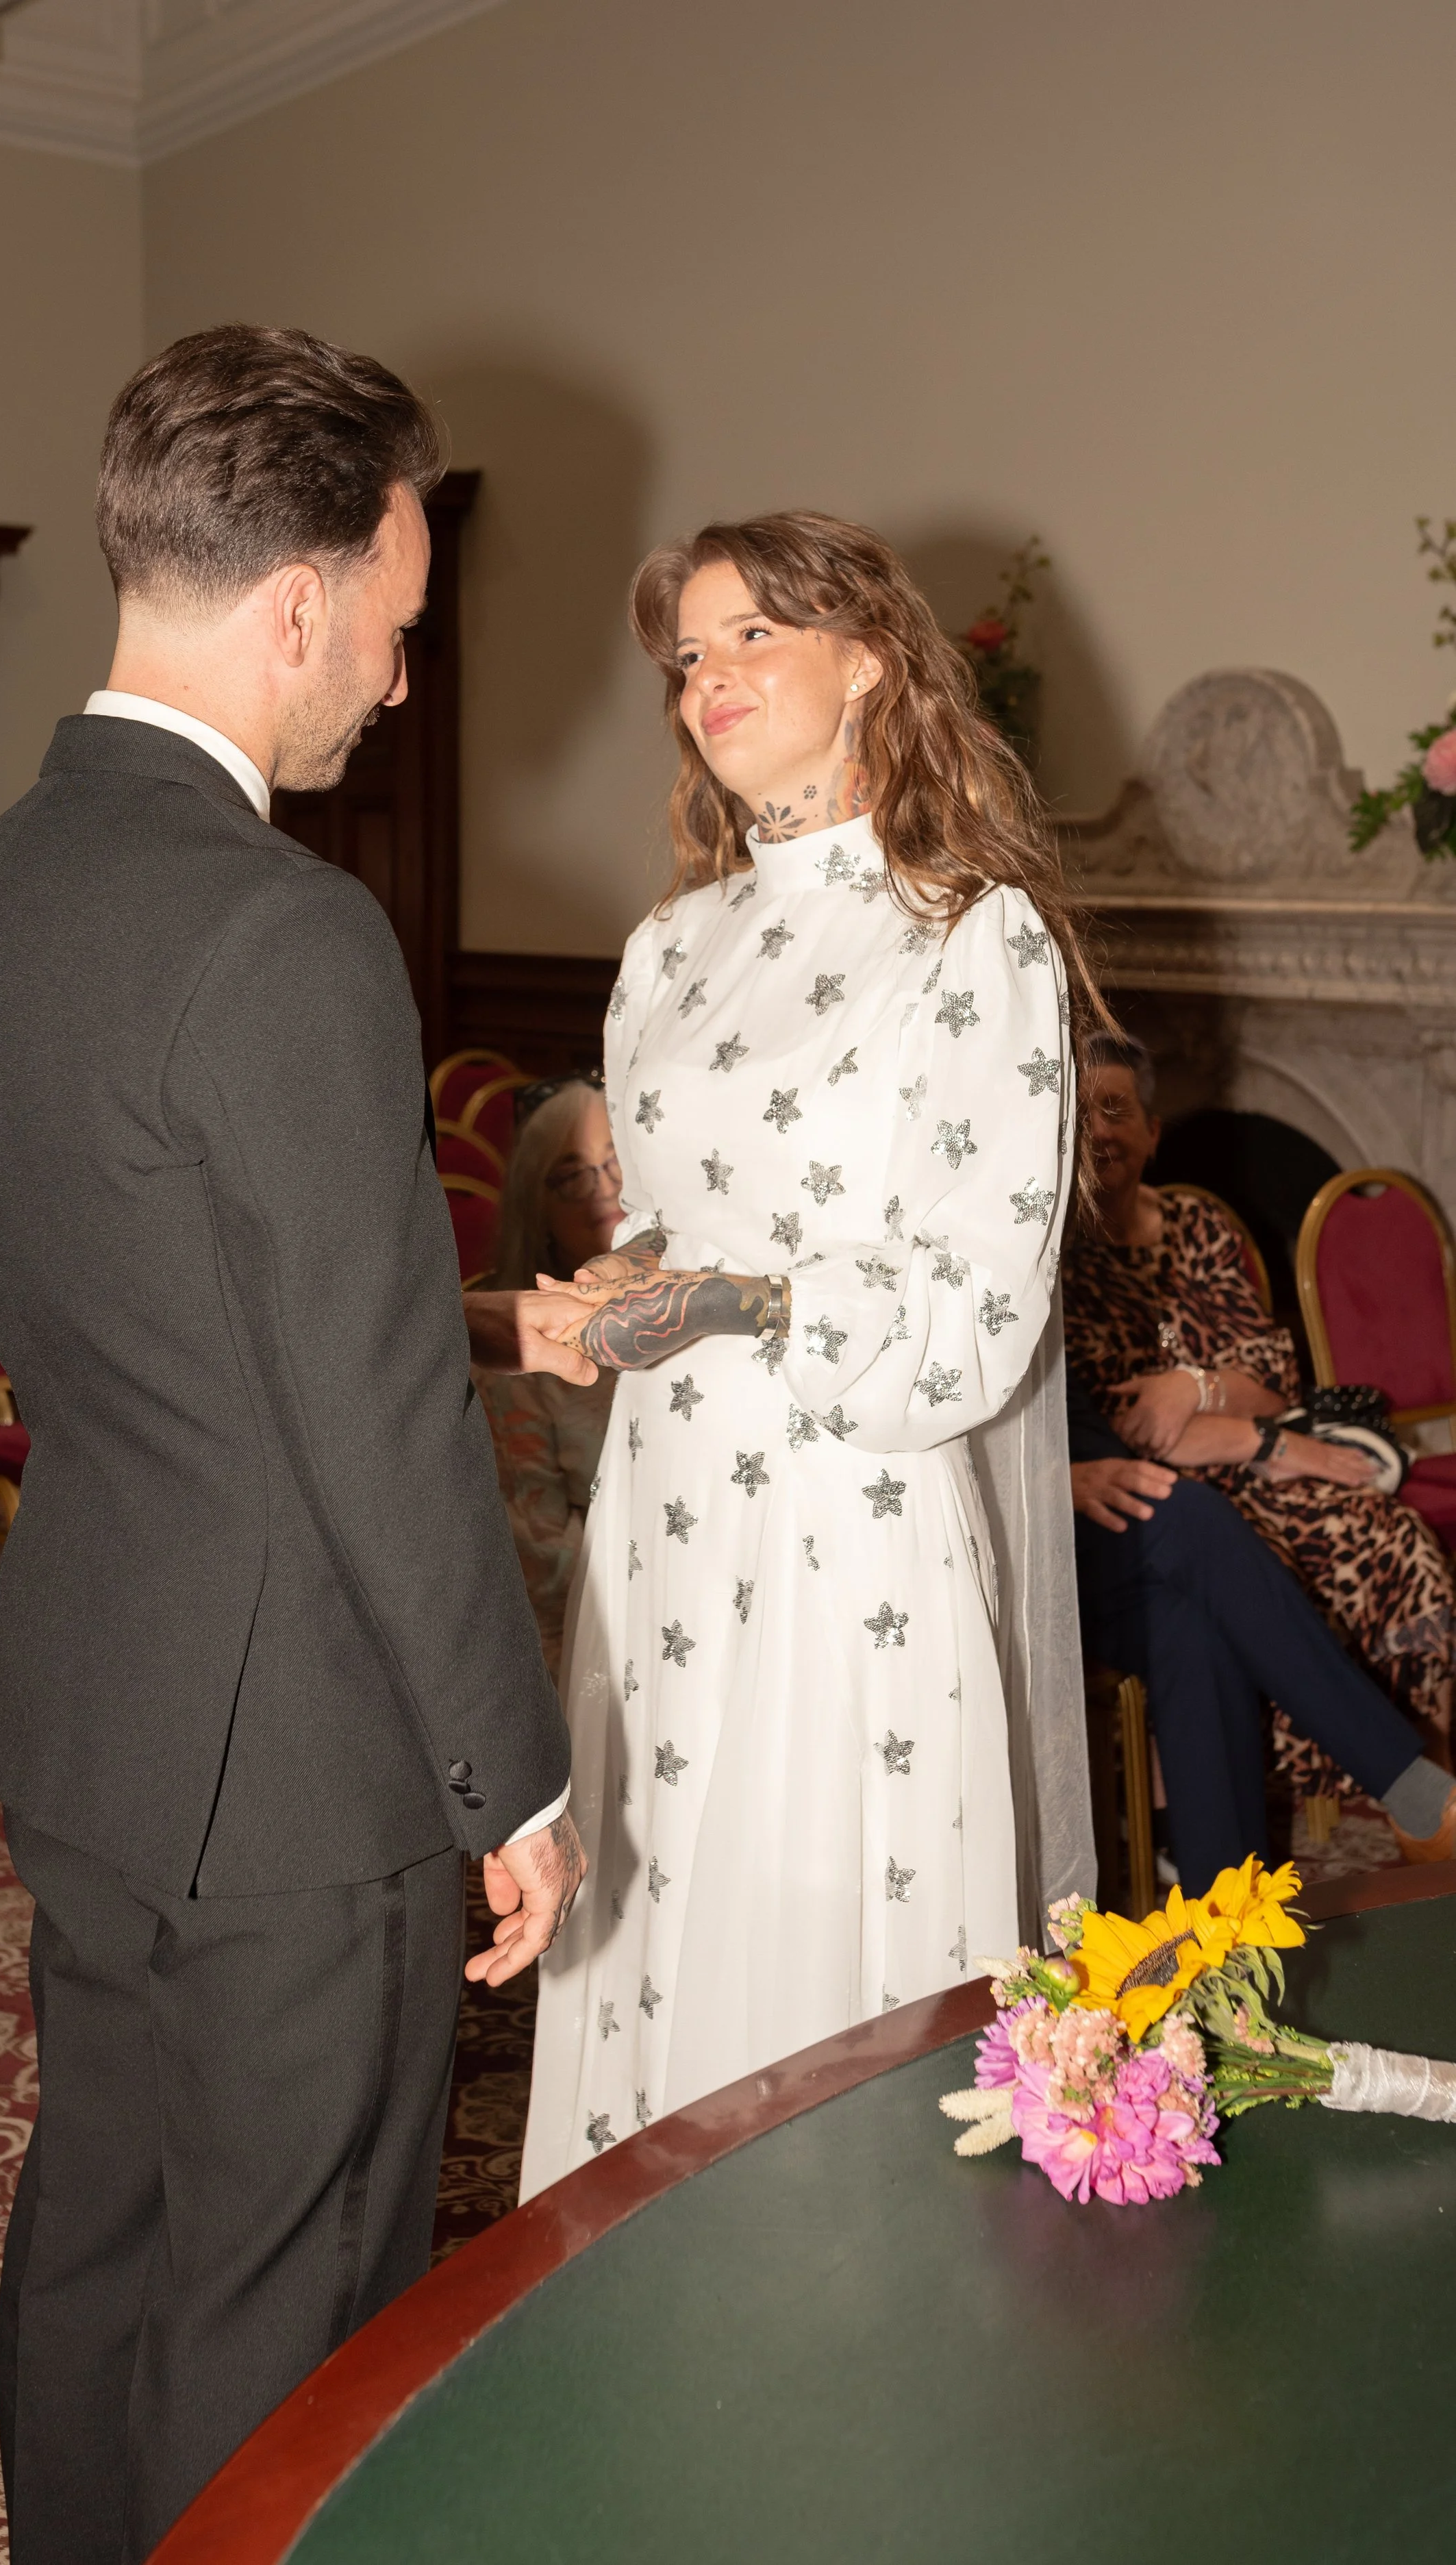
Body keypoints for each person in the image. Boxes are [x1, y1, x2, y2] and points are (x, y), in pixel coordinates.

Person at [0, 327, 590, 2565]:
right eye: (390, 631)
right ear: (296, 603)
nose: (388, 686)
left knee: (98, 2230)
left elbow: (178, 1299)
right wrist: (521, 1780)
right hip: (301, 1769)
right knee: (282, 2313)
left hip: (91, 1708)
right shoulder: (285, 930)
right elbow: (372, 1413)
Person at [518, 510, 1103, 2196]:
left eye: (752, 636)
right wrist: (611, 1288)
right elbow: (681, 1229)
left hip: (852, 1514)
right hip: (667, 1508)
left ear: (867, 659)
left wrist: (726, 1305)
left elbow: (977, 1304)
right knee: (659, 1887)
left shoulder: (967, 939)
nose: (710, 678)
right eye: (688, 655)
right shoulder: (668, 949)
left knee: (805, 1893)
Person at [1063, 1034, 1456, 1807]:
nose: (1100, 1130)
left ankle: (1425, 1793)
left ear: (1152, 1132)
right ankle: (1328, 1794)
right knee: (1271, 1562)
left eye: (1117, 1110)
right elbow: (1121, 1427)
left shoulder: (1198, 1225)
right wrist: (1252, 1433)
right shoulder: (1053, 1255)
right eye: (1081, 1115)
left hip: (1249, 1468)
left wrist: (1191, 1387)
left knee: (1391, 1535)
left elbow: (1273, 1376)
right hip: (1177, 1496)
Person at [1068, 1371, 1456, 1884]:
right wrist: (1056, 1480)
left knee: (1188, 1629)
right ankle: (1414, 1790)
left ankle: (1232, 1913)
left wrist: (1198, 1388)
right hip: (1012, 1538)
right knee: (1190, 1514)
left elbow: (1277, 1396)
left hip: (1110, 1539)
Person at [473, 1077, 620, 1674]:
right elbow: (543, 1563)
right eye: (574, 1175)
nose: (605, 1191)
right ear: (540, 1209)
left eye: (615, 1164)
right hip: (594, 1638)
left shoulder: (693, 1304)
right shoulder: (514, 1356)